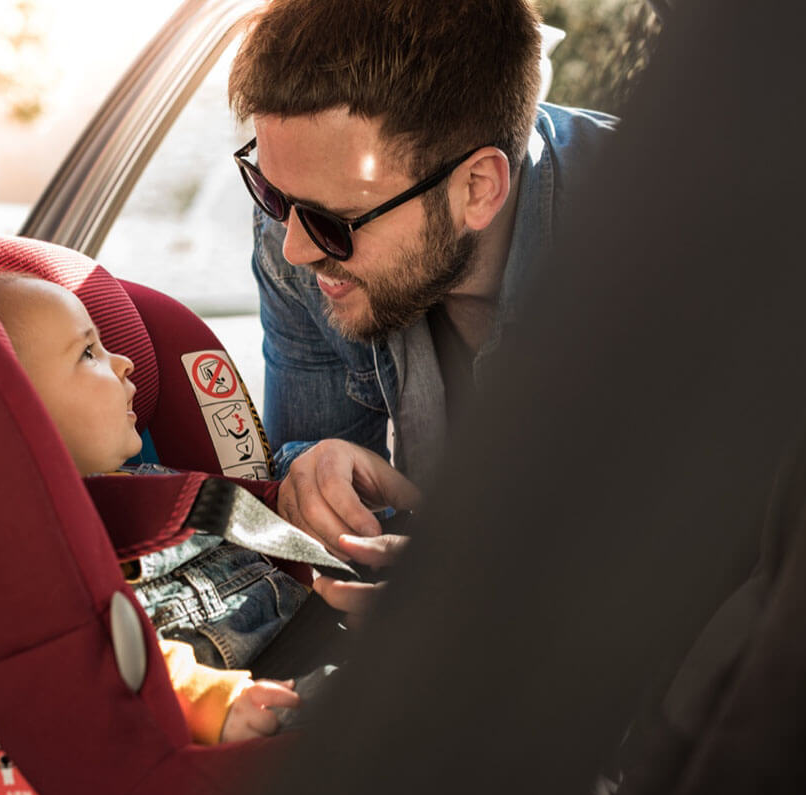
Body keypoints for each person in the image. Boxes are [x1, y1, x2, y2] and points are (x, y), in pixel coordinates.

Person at [227, 0, 618, 553]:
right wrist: (315, 475)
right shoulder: (293, 233)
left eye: (332, 222)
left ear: (477, 188)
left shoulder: (660, 247)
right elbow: (298, 463)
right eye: (271, 193)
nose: (294, 249)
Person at [0, 271, 302, 744]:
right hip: (242, 715)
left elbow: (264, 520)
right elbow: (88, 652)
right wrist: (200, 698)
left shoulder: (154, 484)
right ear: (13, 411)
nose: (125, 363)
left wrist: (300, 504)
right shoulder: (31, 546)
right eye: (89, 353)